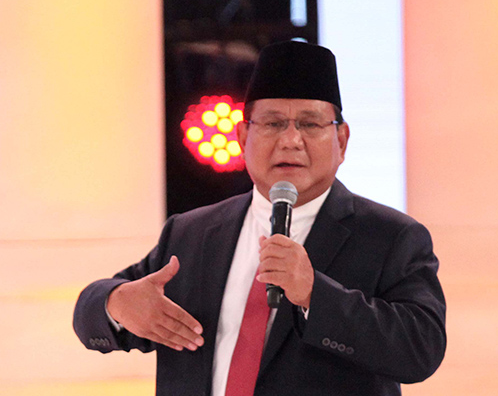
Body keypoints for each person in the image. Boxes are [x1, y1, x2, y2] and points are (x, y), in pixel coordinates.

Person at [73, 40, 446, 396]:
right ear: (242, 137)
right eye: (272, 123)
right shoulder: (192, 233)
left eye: (310, 124)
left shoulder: (390, 237)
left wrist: (314, 294)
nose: (290, 140)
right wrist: (117, 304)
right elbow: (89, 311)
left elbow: (421, 348)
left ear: (342, 141)